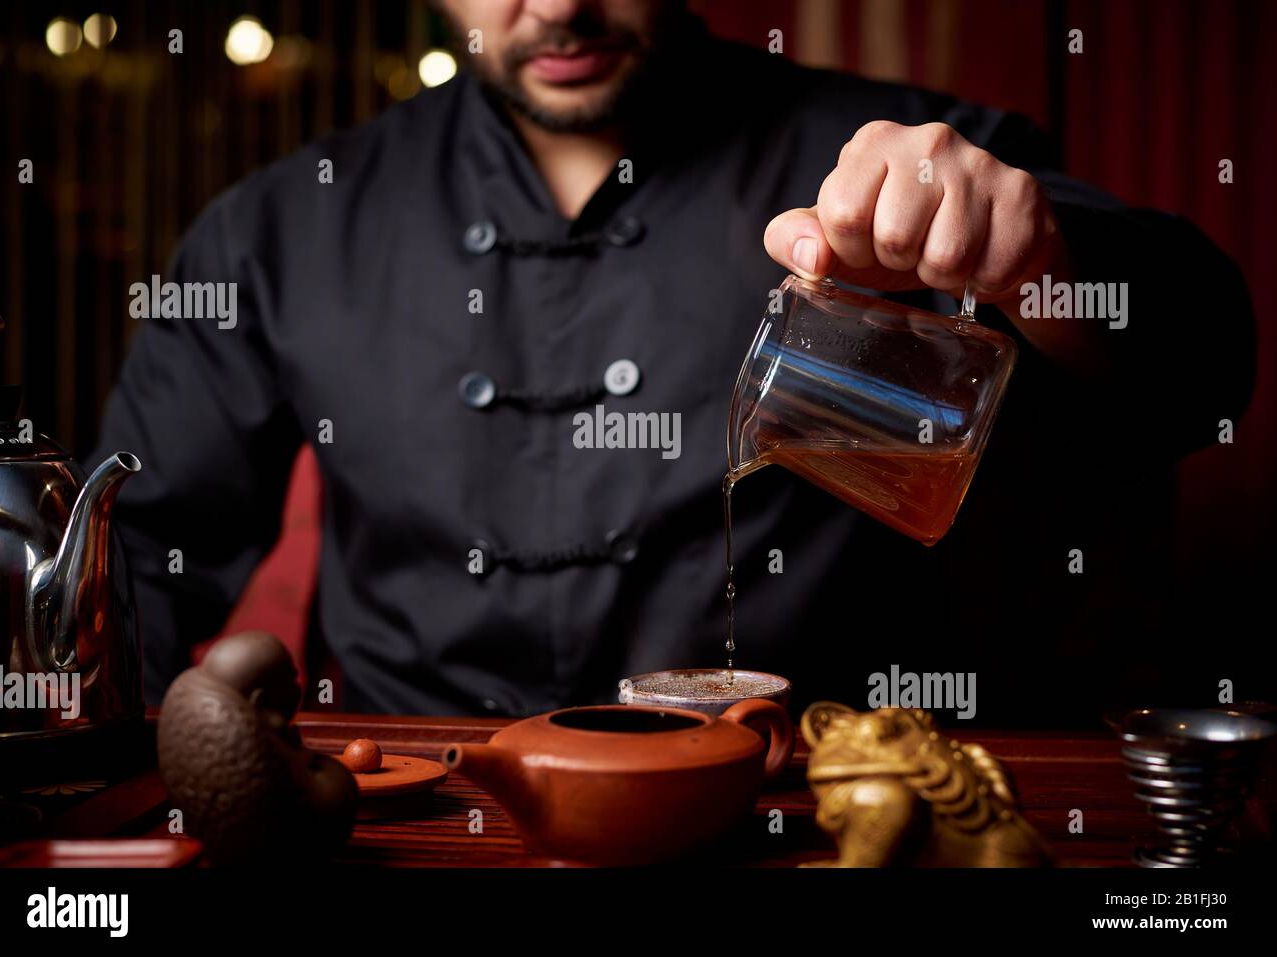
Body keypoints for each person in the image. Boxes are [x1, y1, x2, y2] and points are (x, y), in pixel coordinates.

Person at [91, 0, 1254, 721]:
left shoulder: (891, 137)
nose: (557, 5)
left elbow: (1200, 369)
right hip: (410, 819)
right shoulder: (286, 224)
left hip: (801, 810)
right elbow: (132, 552)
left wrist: (1031, 256)